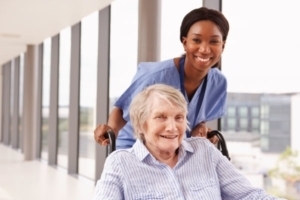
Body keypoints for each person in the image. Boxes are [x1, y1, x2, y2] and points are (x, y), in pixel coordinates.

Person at [92, 84, 282, 200]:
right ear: (141, 125)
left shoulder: (205, 151)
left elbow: (248, 196)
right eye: (161, 117)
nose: (172, 127)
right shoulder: (120, 164)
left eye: (179, 118)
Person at [94, 7, 229, 149]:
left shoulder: (219, 83)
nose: (205, 49)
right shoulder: (155, 76)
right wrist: (111, 130)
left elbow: (197, 117)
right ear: (185, 43)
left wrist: (200, 127)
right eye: (196, 40)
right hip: (135, 150)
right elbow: (122, 110)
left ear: (223, 46)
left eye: (214, 42)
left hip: (173, 154)